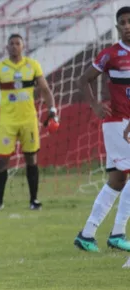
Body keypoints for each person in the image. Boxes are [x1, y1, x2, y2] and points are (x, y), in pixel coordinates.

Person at [0, 33, 59, 211]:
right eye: (11, 43)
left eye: (17, 43)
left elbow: (45, 89)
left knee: (31, 159)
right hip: (7, 121)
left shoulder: (32, 66)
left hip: (29, 120)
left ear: (23, 46)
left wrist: (52, 111)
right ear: (7, 47)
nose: (14, 46)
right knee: (3, 161)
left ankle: (34, 200)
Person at [76, 6, 130, 252]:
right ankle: (118, 232)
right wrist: (95, 105)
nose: (127, 26)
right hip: (118, 123)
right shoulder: (111, 54)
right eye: (123, 22)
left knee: (118, 181)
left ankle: (87, 234)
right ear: (117, 27)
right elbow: (84, 79)